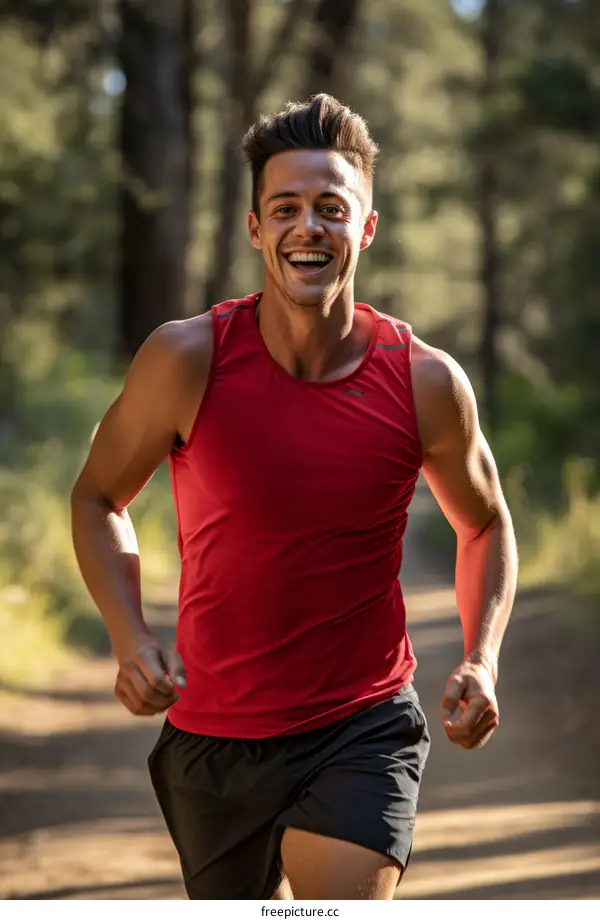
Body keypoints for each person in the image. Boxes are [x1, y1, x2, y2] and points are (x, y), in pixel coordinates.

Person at [71, 94, 518, 901]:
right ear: (254, 229)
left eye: (330, 209)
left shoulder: (424, 383)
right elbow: (99, 496)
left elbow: (484, 522)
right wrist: (129, 637)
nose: (307, 227)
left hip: (363, 724)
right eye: (285, 208)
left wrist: (483, 658)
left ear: (365, 229)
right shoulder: (186, 360)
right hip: (213, 738)